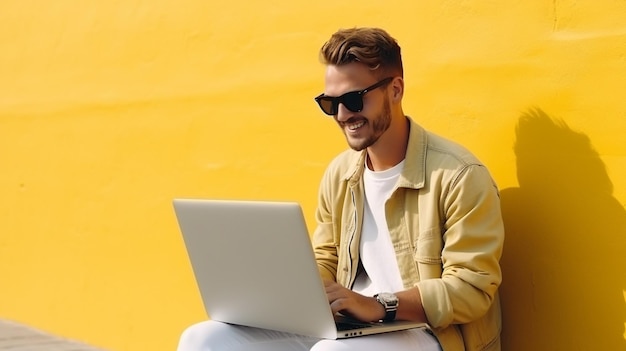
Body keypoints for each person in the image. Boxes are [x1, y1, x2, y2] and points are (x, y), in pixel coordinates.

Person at [177, 27, 504, 351]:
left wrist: (379, 304)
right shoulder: (341, 173)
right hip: (353, 327)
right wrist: (293, 290)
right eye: (330, 103)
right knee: (204, 339)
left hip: (431, 334)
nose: (343, 115)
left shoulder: (458, 175)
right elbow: (327, 257)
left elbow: (471, 288)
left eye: (353, 99)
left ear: (396, 89)